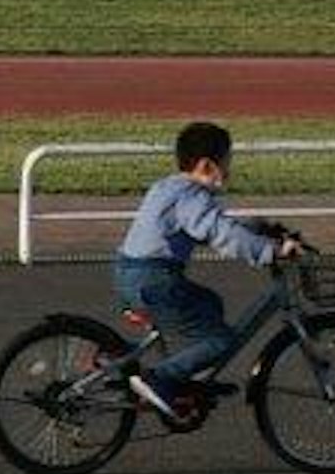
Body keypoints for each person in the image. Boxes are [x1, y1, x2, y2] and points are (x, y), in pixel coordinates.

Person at [111, 120, 309, 425]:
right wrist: (270, 251)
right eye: (226, 162)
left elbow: (216, 225)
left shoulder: (171, 187)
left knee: (209, 303)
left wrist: (259, 229)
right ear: (206, 165)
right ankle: (161, 379)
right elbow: (221, 234)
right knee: (221, 341)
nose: (229, 170)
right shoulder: (192, 197)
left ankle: (191, 378)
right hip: (155, 280)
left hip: (133, 275)